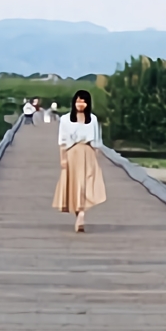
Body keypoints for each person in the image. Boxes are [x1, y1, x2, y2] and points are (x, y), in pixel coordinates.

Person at [53, 90, 106, 232]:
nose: (80, 104)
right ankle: (79, 215)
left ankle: (82, 213)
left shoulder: (92, 119)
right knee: (74, 185)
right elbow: (62, 141)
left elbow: (97, 140)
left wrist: (97, 157)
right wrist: (62, 159)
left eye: (83, 101)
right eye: (78, 101)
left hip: (88, 153)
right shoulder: (65, 119)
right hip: (72, 153)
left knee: (86, 184)